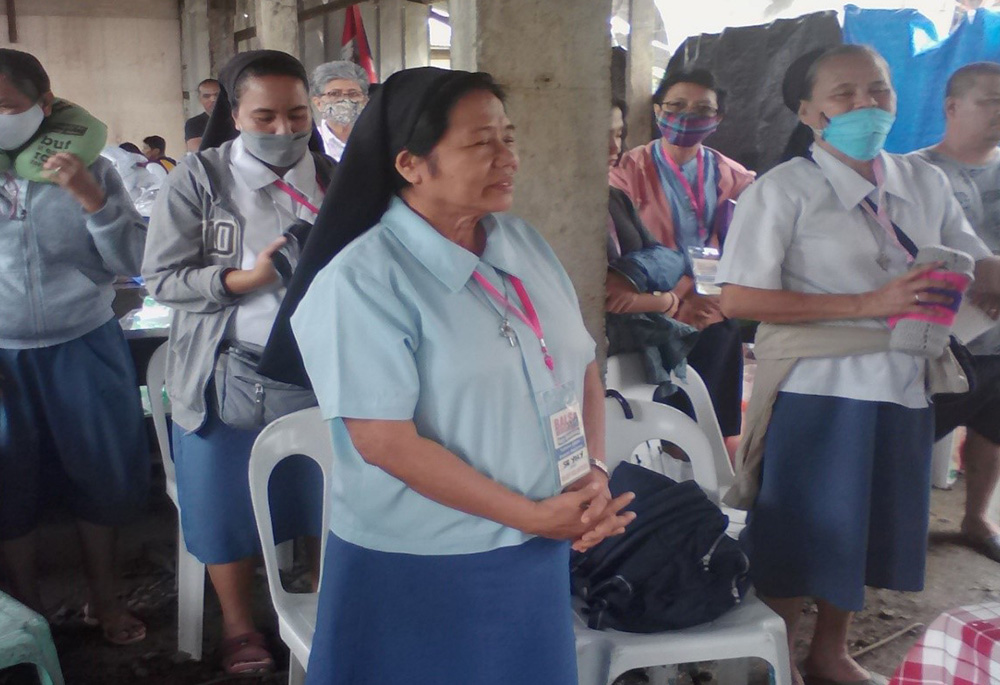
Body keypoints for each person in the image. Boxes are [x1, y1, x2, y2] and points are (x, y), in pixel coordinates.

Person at [265, 67, 635, 685]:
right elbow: (384, 441)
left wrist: (590, 473)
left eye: (509, 138)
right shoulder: (363, 281)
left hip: (539, 544)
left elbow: (580, 366)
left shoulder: (524, 244)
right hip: (426, 560)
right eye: (480, 142)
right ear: (411, 164)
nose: (506, 158)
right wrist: (531, 515)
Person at [717, 45, 1000, 685]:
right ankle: (778, 655)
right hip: (819, 386)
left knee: (867, 524)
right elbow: (737, 299)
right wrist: (870, 302)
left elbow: (973, 260)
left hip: (903, 380)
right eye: (844, 94)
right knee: (798, 528)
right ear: (809, 110)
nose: (865, 105)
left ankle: (830, 652)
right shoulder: (783, 189)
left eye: (879, 90)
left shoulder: (921, 181)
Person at [142, 50, 331, 676]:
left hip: (322, 370)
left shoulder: (333, 176)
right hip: (228, 374)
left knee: (324, 495)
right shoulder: (198, 179)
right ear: (236, 113)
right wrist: (240, 280)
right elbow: (163, 278)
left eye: (298, 114)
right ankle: (240, 625)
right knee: (225, 504)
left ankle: (320, 606)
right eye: (265, 116)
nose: (283, 130)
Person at [0, 48, 149, 646]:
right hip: (2, 351)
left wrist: (90, 197)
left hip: (84, 340)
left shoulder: (98, 168)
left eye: (7, 107)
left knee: (103, 473)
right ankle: (27, 608)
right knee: (8, 479)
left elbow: (134, 262)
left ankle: (104, 601)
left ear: (44, 104)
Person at [610, 68, 754, 451]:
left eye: (702, 109)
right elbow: (625, 249)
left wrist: (715, 300)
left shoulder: (734, 176)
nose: (688, 116)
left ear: (718, 118)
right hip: (657, 313)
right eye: (676, 105)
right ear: (657, 110)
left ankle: (712, 491)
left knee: (718, 423)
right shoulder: (626, 172)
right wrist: (678, 298)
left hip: (714, 309)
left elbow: (747, 247)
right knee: (660, 423)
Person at [915, 61, 1000, 564]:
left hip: (999, 338)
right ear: (952, 107)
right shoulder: (915, 172)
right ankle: (894, 528)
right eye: (991, 101)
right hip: (940, 336)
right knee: (913, 433)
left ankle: (975, 519)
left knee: (993, 427)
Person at [309, 60, 369, 161]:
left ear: (365, 101)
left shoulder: (378, 139)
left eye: (353, 94)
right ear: (318, 103)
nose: (344, 100)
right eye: (334, 94)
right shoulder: (309, 142)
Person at [185, 77, 220, 152]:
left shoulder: (237, 118)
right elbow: (199, 152)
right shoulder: (193, 124)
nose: (213, 99)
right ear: (200, 99)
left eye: (217, 95)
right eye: (206, 96)